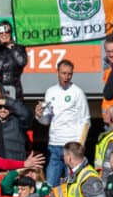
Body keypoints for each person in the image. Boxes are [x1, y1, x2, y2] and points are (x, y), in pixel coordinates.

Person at [35, 59, 90, 187]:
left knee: (72, 184)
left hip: (71, 146)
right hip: (54, 145)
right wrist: (39, 115)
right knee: (50, 185)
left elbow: (86, 121)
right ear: (57, 73)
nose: (66, 77)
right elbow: (46, 120)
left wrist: (80, 145)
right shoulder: (50, 91)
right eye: (63, 73)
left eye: (69, 74)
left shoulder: (77, 92)